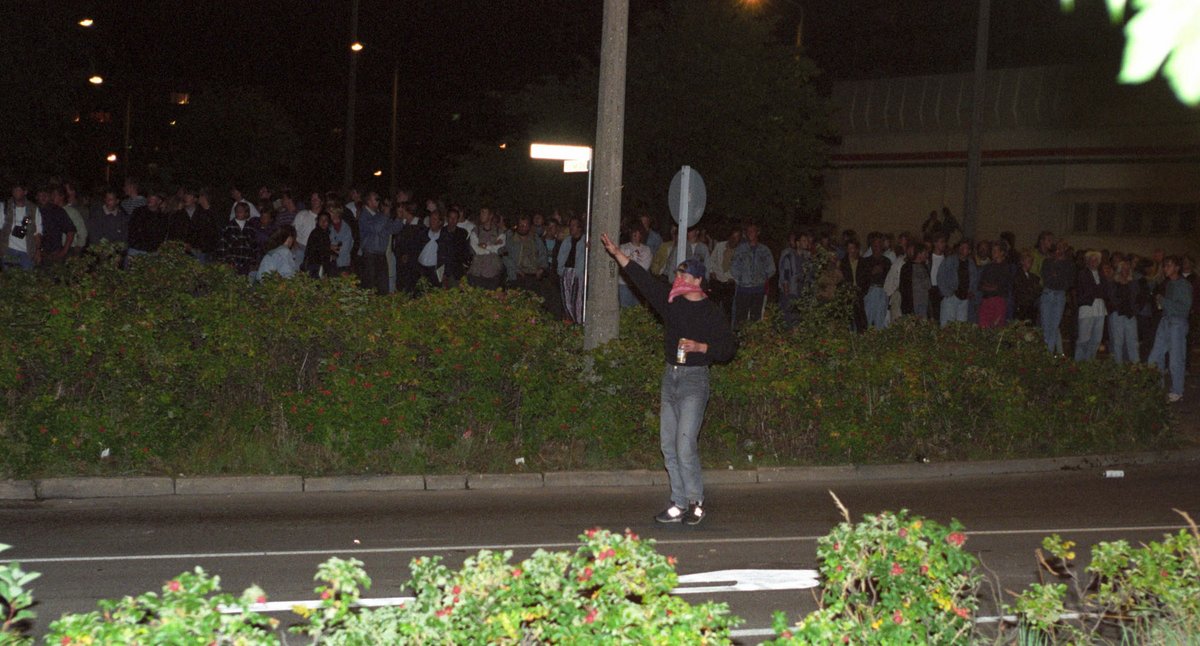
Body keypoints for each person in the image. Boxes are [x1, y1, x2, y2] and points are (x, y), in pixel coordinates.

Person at [600, 232, 736, 526]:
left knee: (685, 445)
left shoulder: (711, 312)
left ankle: (696, 501)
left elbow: (729, 348)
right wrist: (617, 254)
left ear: (697, 281)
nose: (677, 279)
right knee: (667, 445)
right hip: (670, 377)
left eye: (683, 275)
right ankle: (678, 501)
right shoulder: (672, 303)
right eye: (677, 274)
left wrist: (703, 348)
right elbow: (645, 281)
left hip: (694, 381)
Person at [1148, 255, 1192, 402]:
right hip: (1166, 321)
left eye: (1168, 265)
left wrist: (1164, 301)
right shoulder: (1169, 283)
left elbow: (1184, 309)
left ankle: (1177, 391)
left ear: (1177, 268)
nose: (1165, 268)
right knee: (1154, 356)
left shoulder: (1184, 285)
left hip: (1177, 323)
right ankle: (1157, 387)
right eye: (1165, 265)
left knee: (1176, 358)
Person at [731, 223, 775, 327]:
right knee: (741, 318)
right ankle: (739, 341)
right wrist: (740, 279)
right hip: (743, 290)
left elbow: (771, 268)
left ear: (758, 232)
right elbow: (734, 266)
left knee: (755, 318)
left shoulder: (764, 250)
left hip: (758, 290)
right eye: (748, 231)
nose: (751, 233)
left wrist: (762, 279)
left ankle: (753, 341)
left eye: (753, 231)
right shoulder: (740, 249)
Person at [1074, 250, 1108, 361]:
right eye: (1092, 260)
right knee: (1083, 339)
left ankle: (1089, 362)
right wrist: (1097, 290)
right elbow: (1088, 290)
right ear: (1087, 261)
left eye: (1096, 260)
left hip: (1100, 310)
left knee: (1096, 339)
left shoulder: (1102, 275)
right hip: (1087, 309)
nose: (1094, 262)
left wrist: (1097, 290)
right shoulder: (1082, 274)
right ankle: (1078, 363)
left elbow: (1105, 291)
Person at [618, 223, 653, 308]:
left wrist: (629, 260)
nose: (635, 235)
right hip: (624, 284)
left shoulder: (646, 250)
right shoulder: (623, 247)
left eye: (638, 233)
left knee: (638, 310)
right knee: (625, 310)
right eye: (634, 232)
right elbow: (622, 264)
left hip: (639, 285)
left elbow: (644, 267)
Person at [302, 211, 335, 278]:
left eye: (325, 220)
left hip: (320, 265)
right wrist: (329, 248)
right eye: (321, 220)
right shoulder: (316, 233)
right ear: (317, 221)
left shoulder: (325, 233)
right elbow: (316, 249)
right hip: (315, 265)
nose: (323, 222)